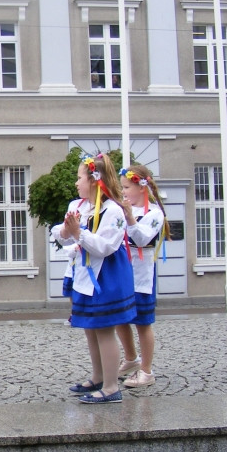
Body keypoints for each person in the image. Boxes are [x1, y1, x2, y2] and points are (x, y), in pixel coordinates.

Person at [52, 153, 136, 404]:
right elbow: (61, 233)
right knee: (91, 329)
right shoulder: (78, 206)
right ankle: (99, 376)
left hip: (106, 275)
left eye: (79, 178)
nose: (76, 183)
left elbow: (105, 247)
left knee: (104, 329)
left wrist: (79, 234)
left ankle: (111, 387)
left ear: (94, 180)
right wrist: (67, 231)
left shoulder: (113, 209)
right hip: (85, 275)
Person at [116, 163, 168, 389]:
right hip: (121, 271)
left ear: (141, 187)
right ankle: (130, 358)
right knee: (119, 318)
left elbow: (141, 238)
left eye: (126, 187)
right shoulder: (120, 209)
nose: (123, 191)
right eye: (122, 187)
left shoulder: (154, 213)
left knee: (142, 323)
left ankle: (146, 370)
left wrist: (129, 218)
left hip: (141, 275)